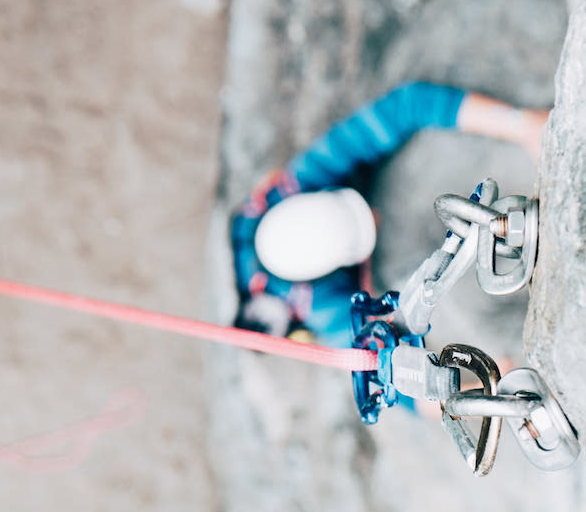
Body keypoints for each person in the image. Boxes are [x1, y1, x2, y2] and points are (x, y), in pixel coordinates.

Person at [230, 82, 547, 345]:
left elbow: (407, 105)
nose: (374, 216)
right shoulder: (317, 305)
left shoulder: (293, 186)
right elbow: (376, 358)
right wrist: (480, 384)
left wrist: (523, 125)